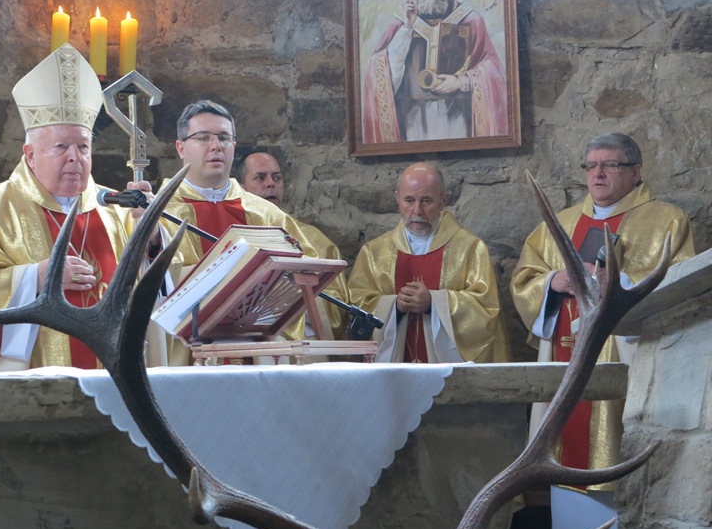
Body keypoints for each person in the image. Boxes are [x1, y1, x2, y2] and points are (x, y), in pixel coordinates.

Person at [511, 132, 695, 529]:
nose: (597, 174)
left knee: (615, 464)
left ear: (636, 172)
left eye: (610, 165)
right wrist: (553, 282)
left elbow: (680, 288)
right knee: (566, 471)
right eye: (590, 165)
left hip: (624, 366)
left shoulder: (666, 220)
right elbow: (525, 279)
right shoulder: (561, 223)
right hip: (566, 364)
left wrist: (618, 284)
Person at [0, 44, 168, 371]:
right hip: (34, 376)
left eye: (83, 147)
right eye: (61, 146)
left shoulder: (118, 207)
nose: (75, 157)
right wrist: (37, 277)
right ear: (30, 154)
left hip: (114, 370)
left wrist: (152, 239)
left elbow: (156, 295)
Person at [164, 102, 320, 349]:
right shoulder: (160, 212)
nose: (216, 146)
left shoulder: (266, 213)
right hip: (187, 350)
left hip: (256, 346)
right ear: (181, 148)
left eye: (224, 138)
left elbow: (307, 270)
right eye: (203, 138)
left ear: (234, 147)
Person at [346, 163, 509, 364]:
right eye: (409, 200)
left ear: (443, 200)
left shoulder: (470, 248)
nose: (417, 211)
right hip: (394, 371)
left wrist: (434, 303)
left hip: (449, 372)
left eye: (426, 201)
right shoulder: (374, 252)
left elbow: (486, 309)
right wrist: (395, 306)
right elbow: (357, 303)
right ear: (397, 198)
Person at [361, 0, 508, 144]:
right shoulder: (400, 22)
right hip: (412, 117)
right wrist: (406, 28)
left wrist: (462, 82)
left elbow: (493, 69)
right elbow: (379, 71)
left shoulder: (470, 20)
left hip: (459, 115)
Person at [235, 150, 351, 339]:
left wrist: (291, 301)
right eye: (260, 178)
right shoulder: (236, 239)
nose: (271, 184)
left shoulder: (313, 239)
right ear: (241, 188)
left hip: (305, 341)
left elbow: (339, 303)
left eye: (277, 178)